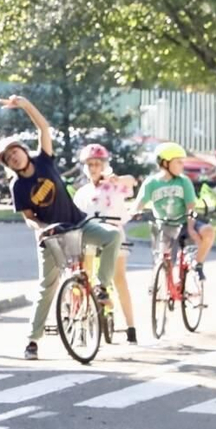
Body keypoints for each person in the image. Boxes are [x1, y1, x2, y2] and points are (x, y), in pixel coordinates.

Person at [0, 94, 121, 361]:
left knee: (112, 236)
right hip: (51, 235)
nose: (14, 158)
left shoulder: (44, 160)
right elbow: (29, 217)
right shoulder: (17, 186)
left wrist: (24, 104)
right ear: (8, 165)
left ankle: (102, 287)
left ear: (22, 150)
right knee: (48, 286)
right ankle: (32, 341)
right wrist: (41, 228)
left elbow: (43, 127)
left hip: (77, 224)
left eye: (15, 152)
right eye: (8, 159)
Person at [73, 143, 138, 344]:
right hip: (92, 235)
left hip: (114, 232)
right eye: (90, 164)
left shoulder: (114, 184)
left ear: (104, 165)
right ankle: (81, 321)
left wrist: (118, 179)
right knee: (84, 276)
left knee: (119, 278)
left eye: (97, 164)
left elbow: (132, 181)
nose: (94, 168)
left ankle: (130, 326)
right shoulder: (82, 192)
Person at [138, 143, 216, 276]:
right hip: (165, 227)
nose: (182, 165)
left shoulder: (184, 181)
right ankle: (163, 289)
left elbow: (191, 207)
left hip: (185, 223)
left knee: (208, 231)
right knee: (166, 263)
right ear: (165, 163)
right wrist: (135, 212)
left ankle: (198, 264)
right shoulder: (151, 183)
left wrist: (191, 228)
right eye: (178, 162)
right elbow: (139, 203)